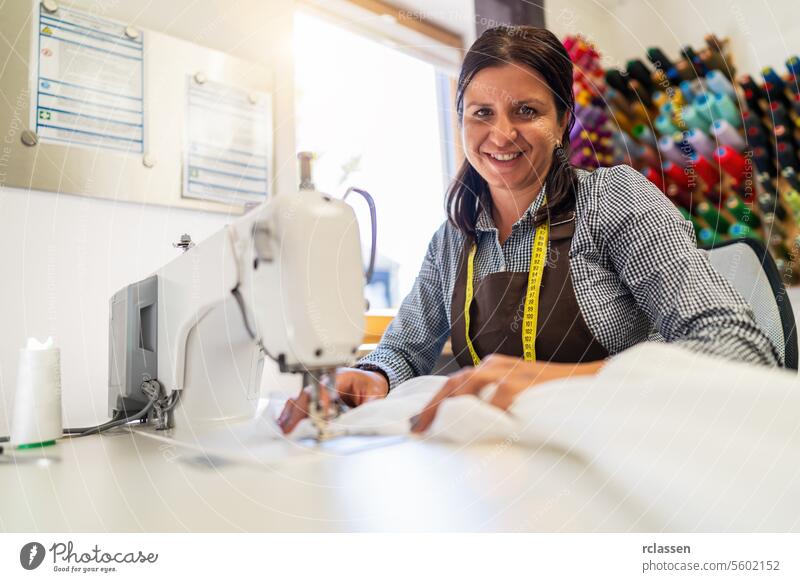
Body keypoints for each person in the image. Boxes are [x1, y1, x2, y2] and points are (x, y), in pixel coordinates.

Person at [278, 25, 780, 435]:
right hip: (508, 467)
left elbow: (740, 346)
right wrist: (369, 374)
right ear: (460, 123)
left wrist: (566, 381)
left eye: (527, 111)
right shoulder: (455, 236)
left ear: (562, 122)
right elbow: (405, 348)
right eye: (481, 114)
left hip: (621, 455)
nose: (500, 134)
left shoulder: (614, 201)